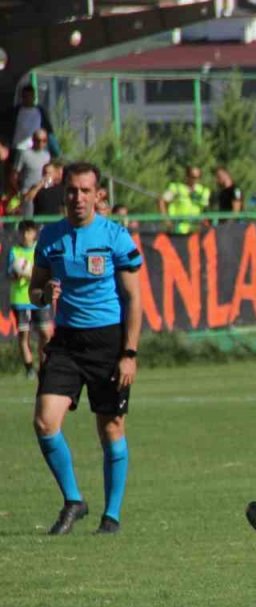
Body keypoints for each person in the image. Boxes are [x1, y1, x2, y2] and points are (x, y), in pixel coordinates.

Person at [28, 162, 142, 535]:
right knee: (45, 421)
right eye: (72, 191)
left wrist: (129, 353)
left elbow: (134, 299)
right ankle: (74, 499)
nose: (78, 197)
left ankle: (111, 517)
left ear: (97, 195)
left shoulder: (115, 236)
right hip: (66, 342)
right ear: (65, 194)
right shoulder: (50, 237)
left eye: (85, 191)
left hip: (108, 342)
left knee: (111, 428)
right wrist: (44, 294)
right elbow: (35, 289)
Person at [7, 220, 50, 379]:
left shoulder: (40, 250)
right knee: (23, 335)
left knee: (45, 333)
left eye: (29, 232)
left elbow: (47, 271)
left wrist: (33, 274)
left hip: (39, 298)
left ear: (34, 233)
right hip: (20, 299)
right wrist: (16, 274)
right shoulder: (15, 251)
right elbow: (9, 274)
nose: (26, 235)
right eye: (23, 232)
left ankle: (43, 366)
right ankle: (29, 368)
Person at [158, 165, 210, 235]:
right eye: (193, 177)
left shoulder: (203, 191)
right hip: (178, 230)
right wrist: (167, 221)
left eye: (199, 177)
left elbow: (205, 210)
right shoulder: (176, 188)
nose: (196, 180)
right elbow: (161, 201)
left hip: (195, 231)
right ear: (187, 176)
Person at [7, 84, 56, 153]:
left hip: (35, 149)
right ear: (22, 97)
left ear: (34, 97)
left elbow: (49, 131)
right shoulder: (16, 111)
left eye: (29, 96)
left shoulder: (40, 111)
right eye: (25, 96)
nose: (27, 99)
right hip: (17, 148)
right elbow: (8, 127)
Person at [13, 129, 50, 216]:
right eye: (38, 140)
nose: (41, 143)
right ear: (33, 140)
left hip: (41, 192)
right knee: (27, 220)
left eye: (44, 141)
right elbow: (14, 175)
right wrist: (18, 192)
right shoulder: (24, 154)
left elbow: (47, 174)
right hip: (26, 193)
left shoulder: (47, 155)